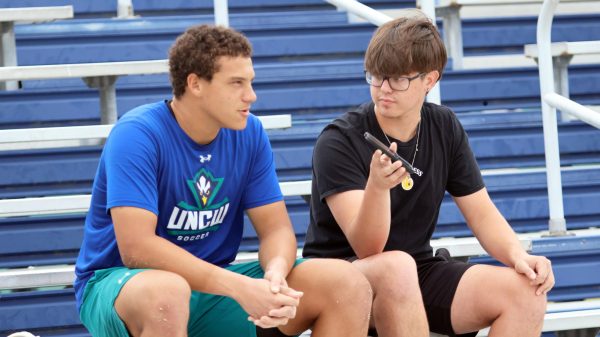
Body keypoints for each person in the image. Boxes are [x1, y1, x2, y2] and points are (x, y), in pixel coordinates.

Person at [74, 24, 373, 337]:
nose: (251, 95)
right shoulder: (137, 134)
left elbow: (276, 230)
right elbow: (137, 248)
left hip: (212, 286)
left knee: (345, 282)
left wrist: (275, 273)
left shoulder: (250, 132)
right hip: (121, 284)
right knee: (168, 292)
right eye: (236, 83)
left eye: (251, 82)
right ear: (195, 84)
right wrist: (240, 288)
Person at [303, 12, 554, 337]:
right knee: (396, 267)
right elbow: (367, 248)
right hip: (341, 277)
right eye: (376, 76)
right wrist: (377, 188)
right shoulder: (339, 139)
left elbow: (481, 213)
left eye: (398, 79)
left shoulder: (444, 126)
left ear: (429, 80)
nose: (383, 89)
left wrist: (520, 257)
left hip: (413, 269)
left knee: (526, 291)